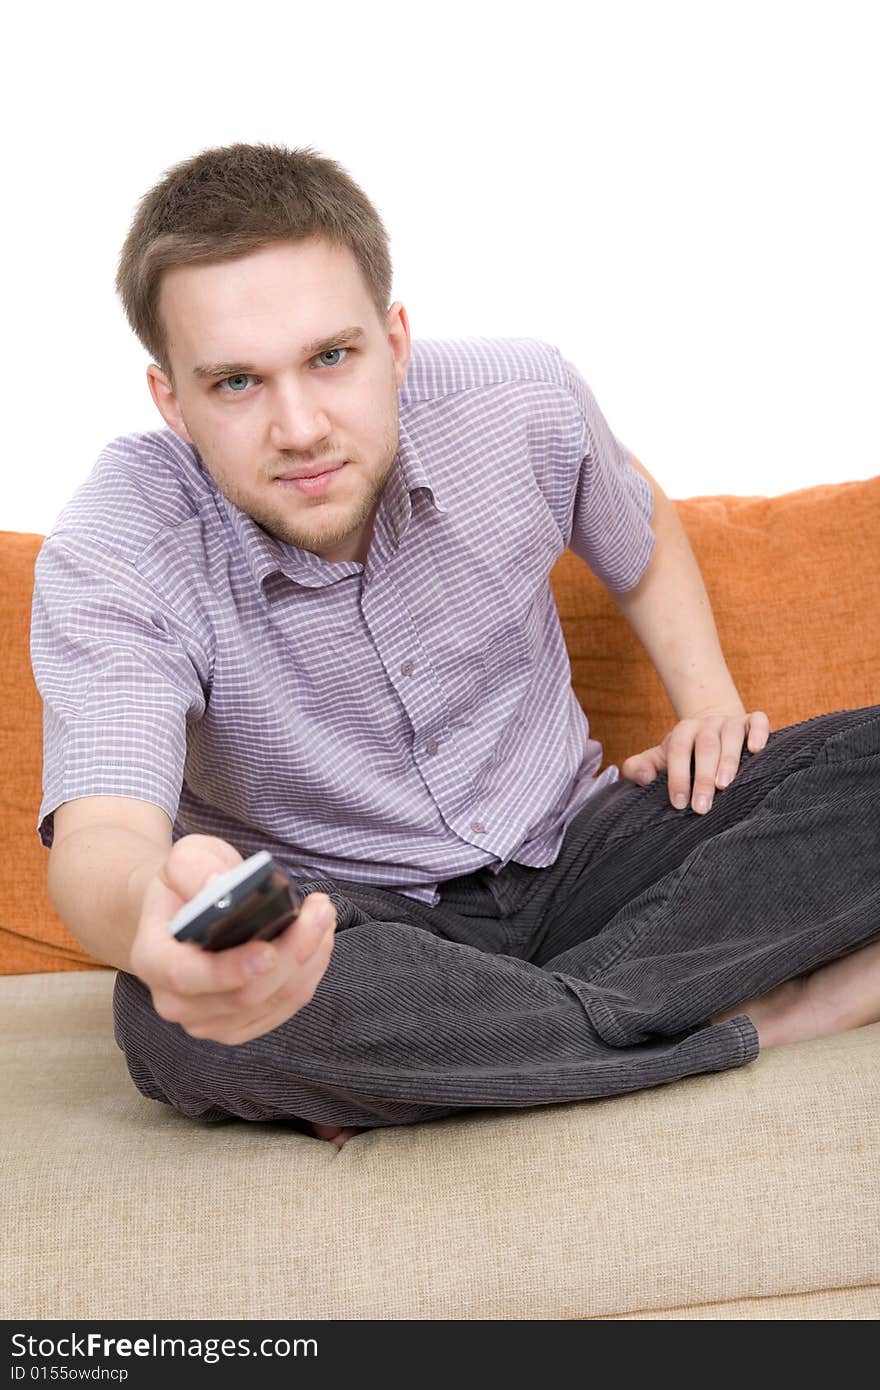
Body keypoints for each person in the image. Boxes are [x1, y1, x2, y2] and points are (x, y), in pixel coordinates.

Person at [31, 141, 880, 1150]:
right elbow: (104, 838)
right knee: (174, 1028)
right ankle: (756, 1018)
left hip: (586, 849)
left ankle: (494, 1047)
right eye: (236, 384)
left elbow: (634, 516)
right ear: (171, 398)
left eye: (331, 357)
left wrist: (704, 701)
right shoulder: (120, 543)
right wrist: (152, 928)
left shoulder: (517, 397)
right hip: (354, 925)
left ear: (394, 338)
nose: (300, 426)